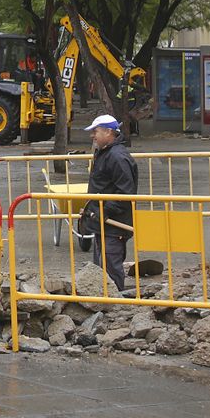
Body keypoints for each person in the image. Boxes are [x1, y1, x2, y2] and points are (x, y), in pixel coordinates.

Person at [76, 113, 137, 292]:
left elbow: (125, 194)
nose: (92, 136)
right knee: (102, 267)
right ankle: (105, 301)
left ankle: (115, 304)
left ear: (109, 132)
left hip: (114, 224)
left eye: (95, 132)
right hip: (104, 222)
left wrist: (103, 211)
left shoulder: (117, 157)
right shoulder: (106, 153)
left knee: (111, 267)